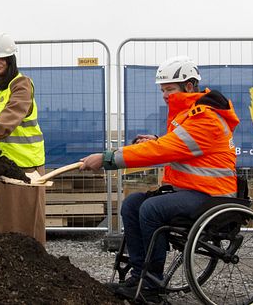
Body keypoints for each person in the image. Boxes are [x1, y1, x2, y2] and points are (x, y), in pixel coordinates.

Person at [80, 56, 239, 300]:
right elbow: (174, 147)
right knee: (132, 204)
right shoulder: (189, 115)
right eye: (162, 90)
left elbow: (164, 151)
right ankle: (138, 275)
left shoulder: (205, 119)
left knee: (151, 209)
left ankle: (151, 285)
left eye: (169, 89)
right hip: (189, 189)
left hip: (212, 195)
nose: (165, 95)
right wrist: (156, 140)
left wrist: (108, 159)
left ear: (188, 86)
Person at [0, 33, 46, 244]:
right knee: (3, 220)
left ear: (11, 59)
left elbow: (12, 113)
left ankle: (34, 266)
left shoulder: (22, 84)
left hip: (26, 164)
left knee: (27, 223)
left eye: (2, 58)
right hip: (1, 163)